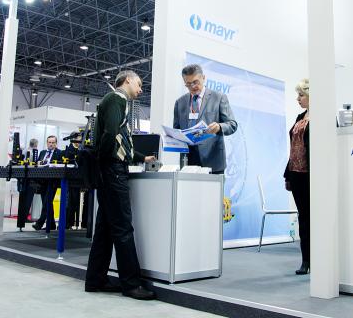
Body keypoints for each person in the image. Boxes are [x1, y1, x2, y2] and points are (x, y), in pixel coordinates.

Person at [85, 70, 156, 300]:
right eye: (139, 84)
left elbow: (119, 140)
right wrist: (107, 161)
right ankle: (131, 285)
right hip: (113, 172)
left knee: (105, 229)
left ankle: (95, 280)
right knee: (123, 228)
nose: (141, 89)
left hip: (109, 171)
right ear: (127, 80)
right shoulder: (117, 99)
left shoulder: (115, 101)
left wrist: (141, 157)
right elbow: (111, 134)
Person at [173, 64, 238, 174]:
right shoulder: (180, 102)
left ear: (203, 78)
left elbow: (232, 124)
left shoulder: (219, 97)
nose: (192, 87)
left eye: (195, 82)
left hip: (213, 161)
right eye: (188, 84)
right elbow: (176, 129)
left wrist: (219, 127)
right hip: (188, 162)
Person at [284, 79, 310, 275]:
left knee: (315, 218)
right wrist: (287, 175)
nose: (298, 99)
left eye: (301, 95)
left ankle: (321, 260)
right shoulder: (300, 117)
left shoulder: (325, 117)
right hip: (296, 174)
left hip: (313, 175)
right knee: (303, 218)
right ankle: (306, 260)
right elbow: (293, 148)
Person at [32, 136, 62, 231]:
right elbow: (37, 163)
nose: (51, 144)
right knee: (47, 203)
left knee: (47, 202)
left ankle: (39, 223)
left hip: (52, 181)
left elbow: (60, 165)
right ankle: (52, 224)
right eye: (49, 142)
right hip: (42, 181)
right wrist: (39, 163)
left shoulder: (59, 153)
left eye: (53, 142)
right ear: (47, 143)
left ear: (56, 143)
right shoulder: (42, 152)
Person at [17, 138, 39, 229]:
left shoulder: (25, 150)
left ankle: (22, 218)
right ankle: (25, 217)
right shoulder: (33, 152)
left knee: (23, 199)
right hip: (30, 179)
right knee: (28, 199)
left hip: (23, 179)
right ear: (36, 144)